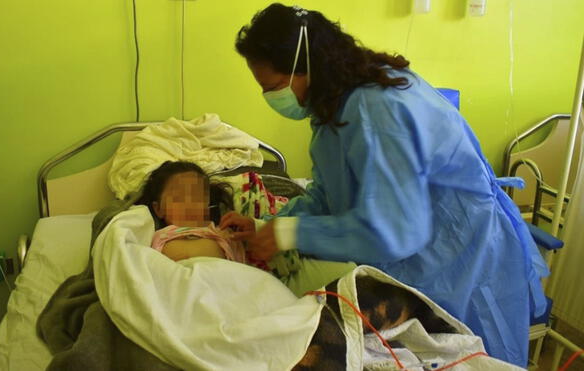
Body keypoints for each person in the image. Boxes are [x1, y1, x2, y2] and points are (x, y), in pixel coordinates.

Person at [227, 3, 549, 367]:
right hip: (421, 263)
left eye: (273, 87)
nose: (272, 99)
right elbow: (329, 191)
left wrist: (289, 233)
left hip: (462, 261)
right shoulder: (333, 106)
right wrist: (271, 226)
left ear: (306, 65)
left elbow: (394, 230)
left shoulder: (377, 107)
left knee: (471, 357)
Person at [138, 161, 245, 263]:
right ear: (159, 209)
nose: (190, 205)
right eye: (179, 199)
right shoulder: (150, 238)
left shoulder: (223, 234)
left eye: (197, 198)